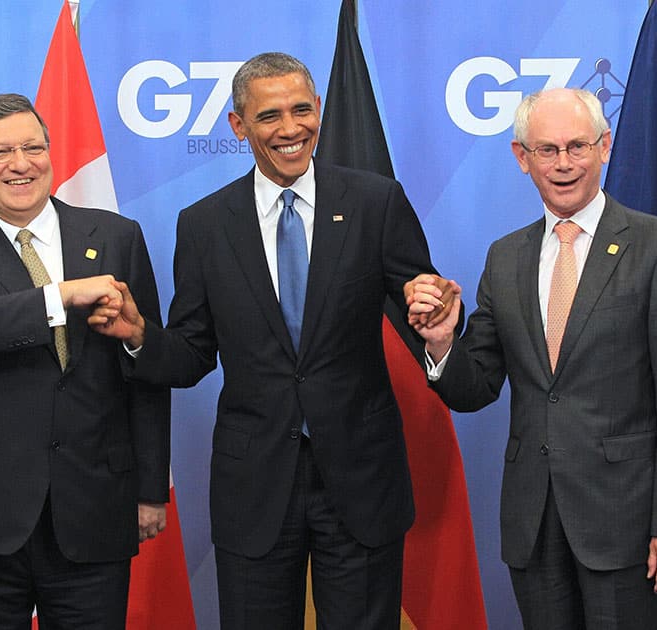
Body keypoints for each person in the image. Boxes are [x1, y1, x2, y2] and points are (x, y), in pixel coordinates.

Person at [93, 52, 456, 629]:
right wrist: (140, 338)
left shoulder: (374, 201)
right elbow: (191, 353)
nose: (290, 129)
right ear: (239, 126)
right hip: (254, 484)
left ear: (320, 113)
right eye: (269, 116)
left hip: (360, 477)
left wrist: (434, 311)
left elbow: (424, 301)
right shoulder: (204, 223)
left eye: (301, 110)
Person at [409, 87, 657, 629]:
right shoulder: (506, 256)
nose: (564, 163)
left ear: (604, 147)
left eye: (577, 146)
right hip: (534, 524)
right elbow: (474, 389)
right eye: (547, 150)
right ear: (521, 158)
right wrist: (440, 342)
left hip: (629, 525)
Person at [0, 93, 170, 629]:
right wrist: (63, 295)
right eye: (0, 152)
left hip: (94, 507)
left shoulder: (118, 236)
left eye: (33, 147)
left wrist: (149, 490)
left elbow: (142, 374)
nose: (21, 163)